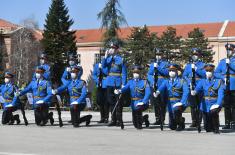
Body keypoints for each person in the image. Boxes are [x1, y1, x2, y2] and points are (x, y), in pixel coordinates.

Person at [154, 64, 189, 131]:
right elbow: (161, 88)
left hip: (179, 102)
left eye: (173, 70)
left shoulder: (182, 81)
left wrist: (182, 102)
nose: (171, 72)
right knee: (172, 127)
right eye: (170, 71)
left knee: (177, 110)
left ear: (176, 71)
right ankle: (181, 119)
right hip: (170, 104)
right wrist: (157, 92)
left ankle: (181, 124)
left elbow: (186, 92)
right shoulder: (166, 81)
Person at [191, 64, 225, 134]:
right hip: (205, 105)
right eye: (207, 71)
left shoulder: (218, 81)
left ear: (213, 71)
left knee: (213, 111)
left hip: (215, 102)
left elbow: (221, 95)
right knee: (207, 128)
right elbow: (197, 88)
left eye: (210, 71)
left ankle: (216, 128)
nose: (208, 72)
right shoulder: (202, 81)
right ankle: (210, 126)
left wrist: (218, 104)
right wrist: (194, 91)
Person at [102, 41, 127, 126]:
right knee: (111, 101)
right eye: (111, 48)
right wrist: (105, 57)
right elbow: (103, 67)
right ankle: (113, 120)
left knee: (118, 102)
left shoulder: (120, 59)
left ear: (117, 50)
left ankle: (119, 120)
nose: (111, 50)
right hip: (109, 82)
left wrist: (123, 83)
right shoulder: (108, 59)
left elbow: (124, 73)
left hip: (117, 82)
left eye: (113, 48)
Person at [182, 48, 206, 127]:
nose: (194, 56)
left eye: (196, 55)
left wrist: (196, 70)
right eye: (193, 55)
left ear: (199, 55)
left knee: (199, 104)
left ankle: (199, 121)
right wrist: (189, 83)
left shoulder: (202, 65)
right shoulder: (188, 65)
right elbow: (184, 75)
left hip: (199, 87)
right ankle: (194, 121)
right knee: (192, 105)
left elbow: (204, 74)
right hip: (191, 86)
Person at [215, 43, 235, 129]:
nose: (228, 51)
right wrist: (222, 77)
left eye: (230, 50)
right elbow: (216, 72)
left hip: (234, 85)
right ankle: (227, 122)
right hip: (225, 85)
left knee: (234, 105)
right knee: (226, 105)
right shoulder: (222, 61)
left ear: (233, 50)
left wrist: (230, 64)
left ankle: (234, 122)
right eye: (227, 50)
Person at [147, 48, 169, 125]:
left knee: (162, 102)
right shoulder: (152, 64)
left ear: (162, 55)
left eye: (159, 55)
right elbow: (149, 74)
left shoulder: (166, 64)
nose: (158, 56)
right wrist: (152, 82)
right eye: (157, 55)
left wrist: (158, 67)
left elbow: (166, 73)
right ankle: (157, 119)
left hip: (162, 84)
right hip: (154, 84)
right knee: (156, 103)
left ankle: (162, 119)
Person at [92, 58, 109, 123]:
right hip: (99, 85)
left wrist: (102, 68)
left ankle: (106, 118)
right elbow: (93, 74)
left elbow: (107, 73)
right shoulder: (96, 65)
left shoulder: (107, 65)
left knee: (106, 102)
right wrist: (97, 80)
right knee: (100, 101)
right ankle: (102, 118)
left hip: (106, 84)